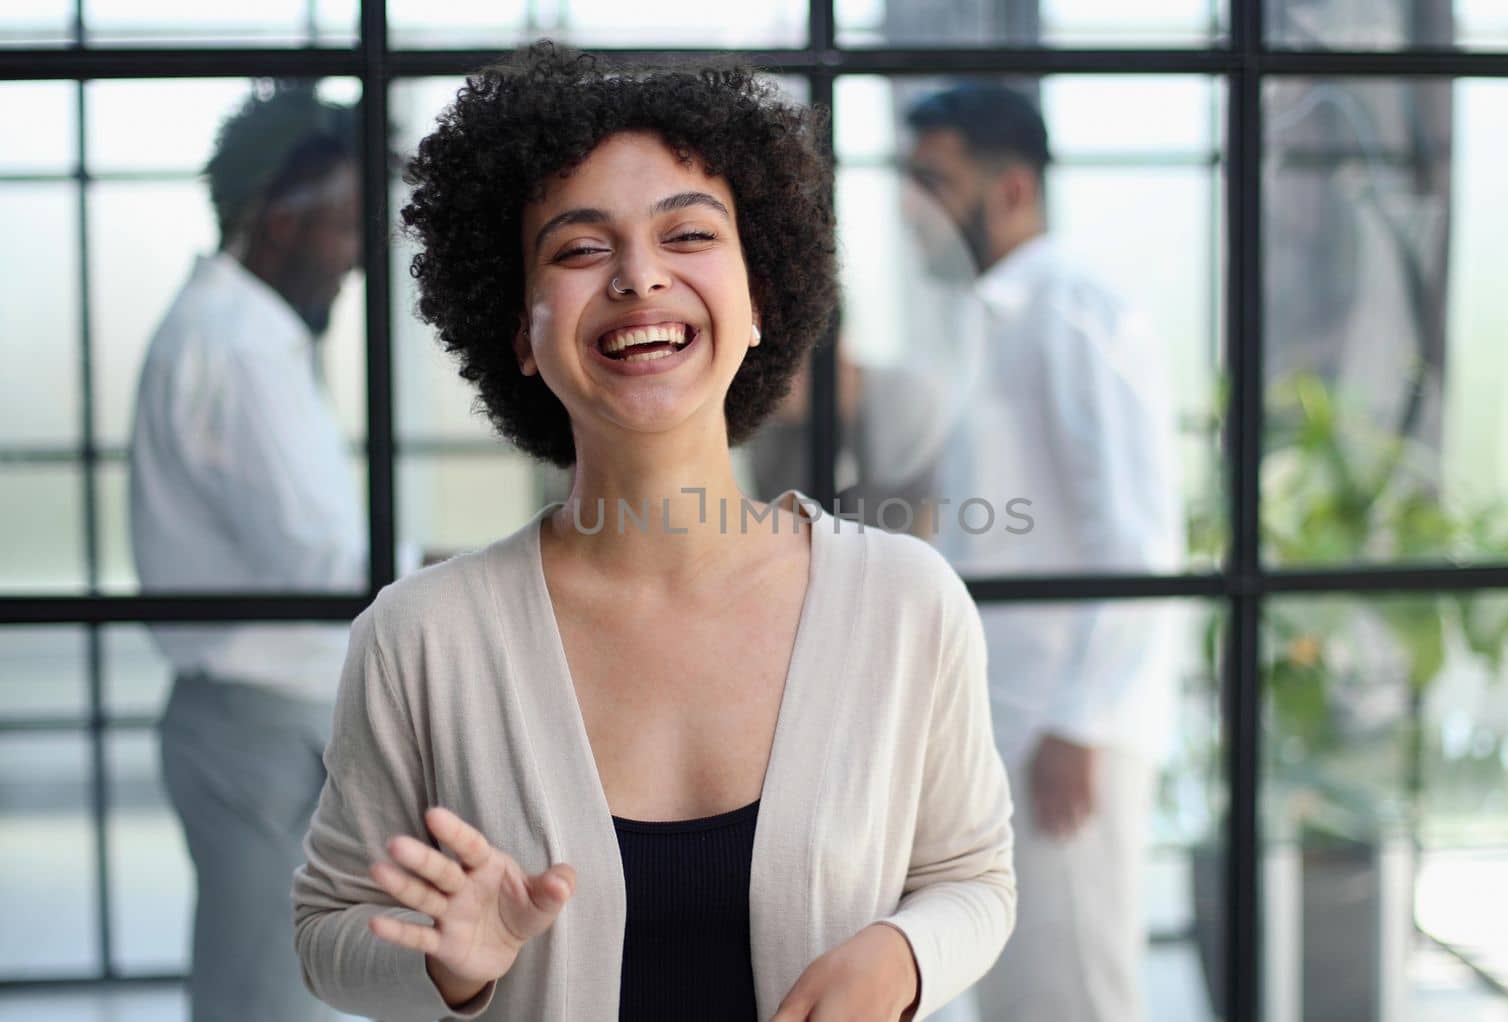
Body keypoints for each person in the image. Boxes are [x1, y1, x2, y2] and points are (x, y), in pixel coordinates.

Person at [291, 42, 1016, 1022]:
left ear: (758, 295)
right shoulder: (421, 637)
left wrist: (901, 954)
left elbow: (974, 877)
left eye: (688, 235)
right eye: (581, 247)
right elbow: (326, 930)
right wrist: (450, 963)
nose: (639, 277)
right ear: (519, 328)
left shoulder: (905, 601)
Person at [901, 84, 1184, 1022]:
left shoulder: (1072, 310)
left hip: (1063, 735)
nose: (913, 208)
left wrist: (1083, 721)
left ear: (1012, 189)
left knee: (1075, 993)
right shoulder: (993, 317)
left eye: (934, 181)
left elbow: (1136, 536)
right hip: (1006, 721)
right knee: (1021, 992)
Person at [127, 81, 363, 1021]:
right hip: (258, 727)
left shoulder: (230, 332)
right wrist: (478, 568)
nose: (353, 259)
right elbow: (324, 559)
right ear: (279, 220)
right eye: (345, 228)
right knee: (266, 999)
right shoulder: (241, 347)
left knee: (261, 984)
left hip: (251, 721)